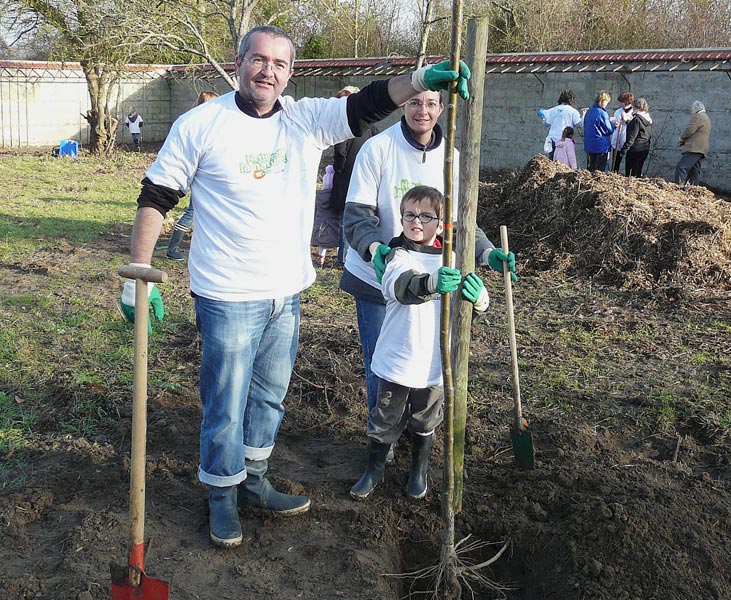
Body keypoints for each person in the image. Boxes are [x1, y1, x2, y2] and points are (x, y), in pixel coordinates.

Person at [117, 24, 472, 549]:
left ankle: (254, 481)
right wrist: (137, 277)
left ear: (290, 73)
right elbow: (156, 196)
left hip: (287, 291)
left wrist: (419, 78)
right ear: (239, 63)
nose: (268, 72)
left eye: (280, 64)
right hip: (227, 293)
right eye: (259, 60)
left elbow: (369, 104)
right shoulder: (201, 124)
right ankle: (221, 493)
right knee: (225, 400)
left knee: (269, 397)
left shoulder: (305, 120)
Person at [340, 90, 518, 454]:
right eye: (415, 102)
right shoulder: (377, 149)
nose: (423, 110)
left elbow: (460, 224)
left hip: (430, 276)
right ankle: (383, 441)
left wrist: (487, 254)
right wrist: (377, 249)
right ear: (403, 104)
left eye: (431, 104)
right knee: (383, 363)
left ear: (442, 109)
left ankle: (414, 434)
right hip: (377, 275)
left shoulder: (450, 159)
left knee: (422, 359)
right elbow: (356, 215)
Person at [349, 186, 489, 501]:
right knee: (385, 415)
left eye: (426, 217)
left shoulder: (453, 257)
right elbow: (400, 287)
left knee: (426, 417)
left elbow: (465, 314)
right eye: (409, 215)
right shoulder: (397, 255)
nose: (416, 222)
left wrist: (478, 299)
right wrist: (430, 283)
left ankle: (419, 468)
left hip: (435, 362)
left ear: (441, 224)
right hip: (399, 358)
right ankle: (374, 468)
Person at [165, 91, 220, 260]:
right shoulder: (204, 125)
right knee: (192, 210)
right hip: (204, 174)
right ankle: (172, 249)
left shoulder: (201, 122)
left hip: (211, 173)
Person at [329, 85, 379, 268]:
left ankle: (343, 257)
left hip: (347, 177)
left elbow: (340, 153)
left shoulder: (343, 126)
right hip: (365, 177)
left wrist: (338, 169)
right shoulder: (370, 126)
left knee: (345, 219)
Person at [674, 100, 711, 185]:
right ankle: (694, 189)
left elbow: (689, 130)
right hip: (701, 149)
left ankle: (679, 187)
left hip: (694, 148)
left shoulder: (698, 117)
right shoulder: (706, 117)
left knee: (681, 167)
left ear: (696, 108)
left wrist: (681, 139)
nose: (691, 111)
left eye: (692, 109)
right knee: (694, 171)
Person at [539, 90, 583, 159]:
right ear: (571, 100)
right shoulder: (573, 111)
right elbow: (579, 124)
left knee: (552, 161)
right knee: (564, 162)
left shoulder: (553, 110)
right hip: (565, 139)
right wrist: (584, 116)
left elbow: (546, 123)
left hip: (553, 138)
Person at [312, 165, 338, 266]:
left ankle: (321, 258)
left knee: (322, 243)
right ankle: (338, 257)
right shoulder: (336, 198)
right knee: (337, 240)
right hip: (334, 222)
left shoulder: (319, 196)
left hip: (322, 225)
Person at [583, 90, 615, 172]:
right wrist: (613, 124)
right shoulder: (602, 113)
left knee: (590, 169)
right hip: (601, 146)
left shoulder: (589, 112)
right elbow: (608, 130)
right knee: (600, 170)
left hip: (589, 145)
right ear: (603, 101)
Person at [621, 98, 653, 177]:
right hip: (644, 148)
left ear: (635, 107)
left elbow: (631, 137)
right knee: (638, 172)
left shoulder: (636, 120)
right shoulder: (647, 119)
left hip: (635, 150)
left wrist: (624, 150)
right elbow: (640, 129)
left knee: (630, 174)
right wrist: (628, 121)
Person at [610, 92, 634, 173]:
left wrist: (626, 119)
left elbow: (633, 126)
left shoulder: (633, 113)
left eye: (622, 102)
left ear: (627, 102)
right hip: (617, 139)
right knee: (615, 163)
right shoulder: (618, 111)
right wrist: (614, 122)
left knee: (629, 163)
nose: (620, 104)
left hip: (627, 140)